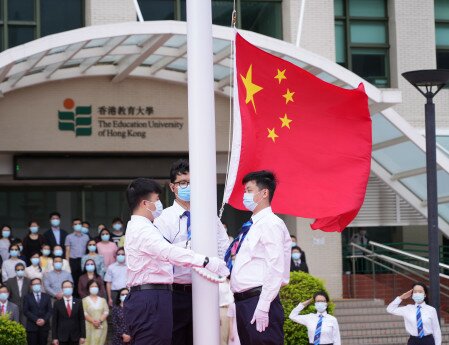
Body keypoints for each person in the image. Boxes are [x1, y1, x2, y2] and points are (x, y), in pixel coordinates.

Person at [124, 177, 229, 345]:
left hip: (156, 295)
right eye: (156, 200)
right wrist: (206, 261)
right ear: (145, 203)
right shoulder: (142, 229)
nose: (159, 204)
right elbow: (167, 251)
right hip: (151, 297)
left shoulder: (145, 227)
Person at [154, 159, 230, 345]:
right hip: (177, 293)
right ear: (173, 187)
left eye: (191, 182)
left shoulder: (209, 215)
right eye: (183, 183)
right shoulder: (164, 219)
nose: (188, 186)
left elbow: (223, 248)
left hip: (207, 291)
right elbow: (161, 256)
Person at [226, 170, 291, 345]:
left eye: (249, 190)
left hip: (259, 301)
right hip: (244, 302)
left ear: (264, 193)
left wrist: (263, 305)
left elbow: (275, 267)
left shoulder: (271, 223)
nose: (245, 195)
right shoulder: (251, 225)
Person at [52, 280, 86, 345]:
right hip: (61, 337)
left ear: (72, 288)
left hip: (76, 336)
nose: (67, 288)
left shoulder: (79, 302)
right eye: (65, 287)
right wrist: (54, 338)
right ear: (62, 289)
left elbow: (82, 320)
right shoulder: (57, 303)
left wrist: (83, 336)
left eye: (69, 287)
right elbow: (54, 322)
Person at [23, 278, 52, 345]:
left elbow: (50, 310)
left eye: (38, 284)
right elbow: (26, 311)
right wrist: (36, 319)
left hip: (44, 326)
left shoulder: (47, 296)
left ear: (41, 285)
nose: (36, 285)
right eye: (34, 284)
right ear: (31, 286)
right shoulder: (27, 297)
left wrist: (44, 320)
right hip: (32, 327)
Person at [65, 218, 90, 297]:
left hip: (83, 260)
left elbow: (88, 250)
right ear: (72, 226)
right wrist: (67, 263)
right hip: (73, 260)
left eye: (79, 224)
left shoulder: (86, 237)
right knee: (74, 280)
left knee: (83, 279)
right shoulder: (69, 237)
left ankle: (84, 295)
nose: (77, 225)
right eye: (75, 224)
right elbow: (67, 250)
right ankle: (75, 296)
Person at [82, 279, 109, 345]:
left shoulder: (103, 300)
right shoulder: (84, 300)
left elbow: (106, 311)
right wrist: (93, 321)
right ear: (88, 288)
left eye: (96, 286)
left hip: (101, 326)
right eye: (92, 286)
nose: (94, 288)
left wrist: (99, 321)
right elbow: (84, 313)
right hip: (89, 326)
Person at [219, 280, 234, 345]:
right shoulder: (219, 281)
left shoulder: (232, 280)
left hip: (235, 310)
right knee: (224, 338)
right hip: (223, 309)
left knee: (234, 338)